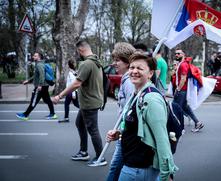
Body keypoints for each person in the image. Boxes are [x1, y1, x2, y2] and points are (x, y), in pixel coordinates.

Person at [107, 52, 178, 181]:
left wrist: (166, 174)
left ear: (150, 73)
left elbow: (161, 139)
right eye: (132, 67)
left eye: (140, 68)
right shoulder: (137, 94)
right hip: (132, 165)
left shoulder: (151, 99)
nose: (134, 71)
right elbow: (140, 129)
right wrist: (120, 134)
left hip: (139, 170)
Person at [52, 40, 107, 166]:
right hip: (91, 101)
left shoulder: (86, 63)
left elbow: (77, 83)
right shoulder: (96, 61)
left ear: (81, 50)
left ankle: (100, 157)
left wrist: (59, 96)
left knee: (93, 130)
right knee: (80, 124)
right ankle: (83, 152)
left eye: (78, 51)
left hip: (89, 102)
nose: (78, 54)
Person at [106, 42, 135, 181]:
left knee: (115, 168)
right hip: (124, 133)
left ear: (127, 61)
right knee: (118, 168)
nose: (114, 63)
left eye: (117, 60)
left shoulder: (129, 82)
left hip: (126, 134)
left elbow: (131, 111)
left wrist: (121, 133)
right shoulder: (125, 79)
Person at [16, 52, 57, 120]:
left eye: (35, 56)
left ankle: (25, 115)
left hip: (41, 86)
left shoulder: (39, 65)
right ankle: (52, 114)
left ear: (39, 57)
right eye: (33, 55)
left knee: (34, 100)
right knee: (47, 100)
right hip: (44, 86)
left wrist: (40, 85)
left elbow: (42, 75)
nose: (33, 57)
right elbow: (36, 75)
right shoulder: (40, 64)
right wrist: (28, 81)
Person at [174, 49, 204, 132]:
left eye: (178, 53)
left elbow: (183, 79)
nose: (176, 55)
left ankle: (179, 128)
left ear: (183, 54)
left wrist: (178, 89)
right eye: (176, 53)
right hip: (183, 90)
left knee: (176, 109)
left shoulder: (183, 65)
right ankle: (198, 123)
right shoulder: (181, 64)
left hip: (182, 91)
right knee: (185, 108)